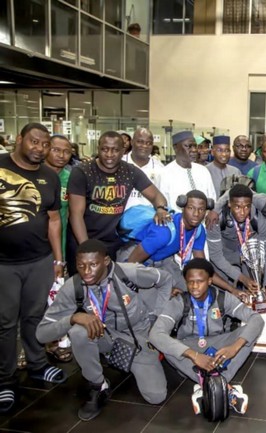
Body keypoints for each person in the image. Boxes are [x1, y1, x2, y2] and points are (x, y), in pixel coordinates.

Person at [36, 240, 171, 420]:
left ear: (106, 261)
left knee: (156, 396)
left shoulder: (128, 272)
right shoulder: (74, 286)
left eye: (93, 264)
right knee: (79, 331)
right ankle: (98, 385)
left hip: (138, 335)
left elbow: (165, 279)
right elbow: (42, 334)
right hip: (103, 334)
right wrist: (73, 317)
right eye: (81, 265)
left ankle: (131, 360)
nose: (86, 271)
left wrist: (156, 318)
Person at [0, 123, 66, 413]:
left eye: (45, 144)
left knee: (35, 316)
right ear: (20, 140)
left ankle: (38, 364)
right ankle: (5, 379)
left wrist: (57, 259)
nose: (40, 148)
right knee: (4, 322)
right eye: (34, 142)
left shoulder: (50, 177)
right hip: (4, 264)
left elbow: (53, 219)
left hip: (38, 261)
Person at [149, 258, 264, 415]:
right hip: (190, 348)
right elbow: (155, 334)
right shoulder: (178, 302)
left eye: (200, 281)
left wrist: (234, 348)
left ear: (210, 281)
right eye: (190, 282)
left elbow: (256, 319)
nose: (194, 286)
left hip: (219, 346)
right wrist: (195, 356)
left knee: (249, 333)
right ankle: (224, 388)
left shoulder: (224, 298)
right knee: (168, 346)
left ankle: (206, 385)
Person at [68, 131, 170, 267]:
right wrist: (87, 249)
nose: (109, 155)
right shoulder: (82, 171)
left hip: (113, 243)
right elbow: (76, 214)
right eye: (105, 149)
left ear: (123, 151)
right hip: (83, 239)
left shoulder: (130, 171)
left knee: (111, 286)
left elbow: (157, 196)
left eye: (115, 150)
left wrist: (161, 209)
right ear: (98, 148)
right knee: (84, 286)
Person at [119, 189, 210, 292]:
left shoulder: (198, 230)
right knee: (158, 297)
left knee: (189, 290)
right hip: (135, 258)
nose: (196, 214)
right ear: (183, 207)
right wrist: (166, 288)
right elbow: (130, 266)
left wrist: (230, 289)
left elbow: (203, 267)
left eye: (201, 209)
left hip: (162, 260)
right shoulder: (164, 232)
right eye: (191, 208)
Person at [207, 184, 266, 299]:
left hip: (250, 258)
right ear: (229, 204)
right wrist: (242, 278)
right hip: (225, 257)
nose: (243, 212)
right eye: (237, 207)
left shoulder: (259, 219)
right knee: (225, 293)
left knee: (253, 289)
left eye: (247, 207)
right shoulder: (216, 220)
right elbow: (216, 256)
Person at [43, 134, 74, 363]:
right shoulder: (34, 174)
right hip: (31, 250)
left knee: (56, 299)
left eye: (66, 151)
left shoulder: (70, 177)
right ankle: (28, 347)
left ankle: (54, 342)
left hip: (60, 250)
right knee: (31, 302)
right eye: (56, 149)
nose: (61, 155)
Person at [158, 131, 218, 218]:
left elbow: (212, 199)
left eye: (194, 146)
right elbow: (163, 206)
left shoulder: (203, 171)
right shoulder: (164, 173)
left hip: (202, 226)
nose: (194, 150)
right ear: (175, 147)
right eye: (188, 146)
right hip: (176, 226)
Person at [122, 127, 165, 210]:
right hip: (120, 218)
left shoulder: (159, 168)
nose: (145, 146)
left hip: (149, 218)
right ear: (132, 142)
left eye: (149, 143)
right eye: (140, 142)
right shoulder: (120, 164)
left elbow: (161, 198)